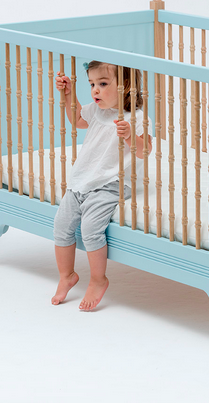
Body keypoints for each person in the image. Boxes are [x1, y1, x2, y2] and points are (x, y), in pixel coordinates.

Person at [51, 60, 150, 311]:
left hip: (111, 182)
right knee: (61, 225)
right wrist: (68, 94)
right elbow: (76, 119)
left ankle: (98, 279)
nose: (95, 90)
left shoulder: (136, 117)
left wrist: (130, 136)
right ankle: (66, 275)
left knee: (90, 228)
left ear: (125, 85)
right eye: (92, 84)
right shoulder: (97, 111)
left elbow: (145, 150)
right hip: (82, 180)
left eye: (103, 84)